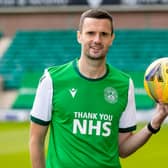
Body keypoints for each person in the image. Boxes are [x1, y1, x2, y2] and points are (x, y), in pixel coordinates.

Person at [29, 8, 168, 168]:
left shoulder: (124, 84)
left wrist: (155, 123)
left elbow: (123, 148)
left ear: (112, 38)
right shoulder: (52, 79)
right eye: (90, 33)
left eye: (104, 34)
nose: (97, 39)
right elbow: (36, 140)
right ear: (79, 36)